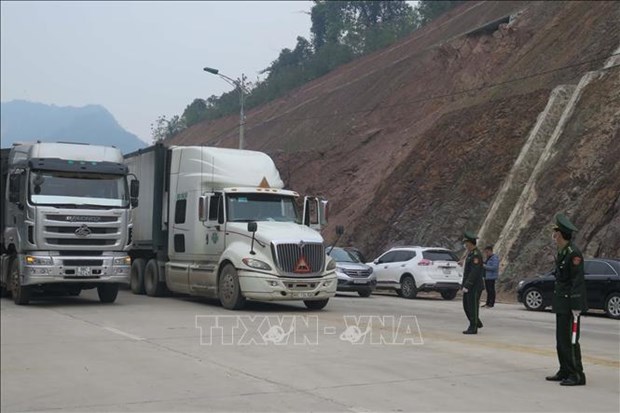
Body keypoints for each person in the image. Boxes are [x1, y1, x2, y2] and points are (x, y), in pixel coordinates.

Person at [545, 213, 588, 386]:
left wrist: (576, 306)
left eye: (555, 233)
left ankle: (577, 375)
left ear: (560, 234)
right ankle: (564, 369)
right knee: (561, 340)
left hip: (571, 305)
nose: (553, 236)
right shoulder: (562, 251)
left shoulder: (573, 253)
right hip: (562, 303)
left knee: (571, 340)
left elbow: (577, 281)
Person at [460, 231, 484, 334]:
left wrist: (468, 284)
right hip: (468, 285)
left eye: (466, 243)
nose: (465, 245)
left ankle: (473, 327)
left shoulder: (476, 255)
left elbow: (474, 272)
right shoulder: (470, 254)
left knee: (472, 306)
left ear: (471, 243)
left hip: (474, 286)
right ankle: (476, 321)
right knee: (466, 306)